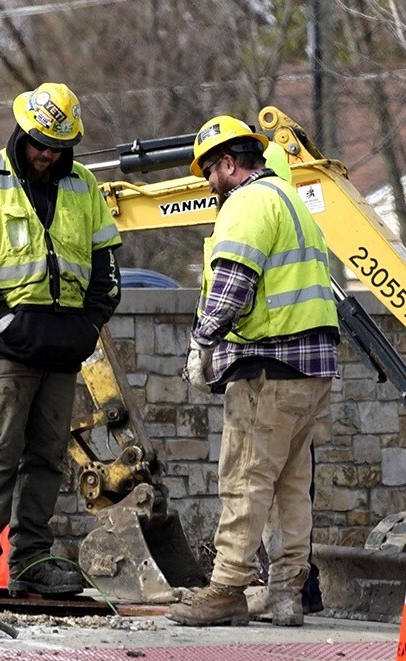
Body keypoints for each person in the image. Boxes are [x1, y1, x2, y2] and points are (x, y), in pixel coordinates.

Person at [0, 82, 122, 597]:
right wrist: (1, 322)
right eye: (40, 142)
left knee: (46, 457)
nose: (46, 154)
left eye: (57, 147)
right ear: (22, 131)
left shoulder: (83, 186)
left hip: (63, 347)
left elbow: (106, 266)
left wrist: (88, 326)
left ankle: (31, 557)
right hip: (4, 349)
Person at [166, 116, 338, 627]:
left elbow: (233, 284)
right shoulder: (291, 203)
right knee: (289, 484)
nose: (208, 185)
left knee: (244, 477)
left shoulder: (246, 204)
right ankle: (287, 593)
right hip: (311, 368)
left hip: (268, 366)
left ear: (227, 163)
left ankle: (225, 589)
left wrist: (202, 342)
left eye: (208, 173)